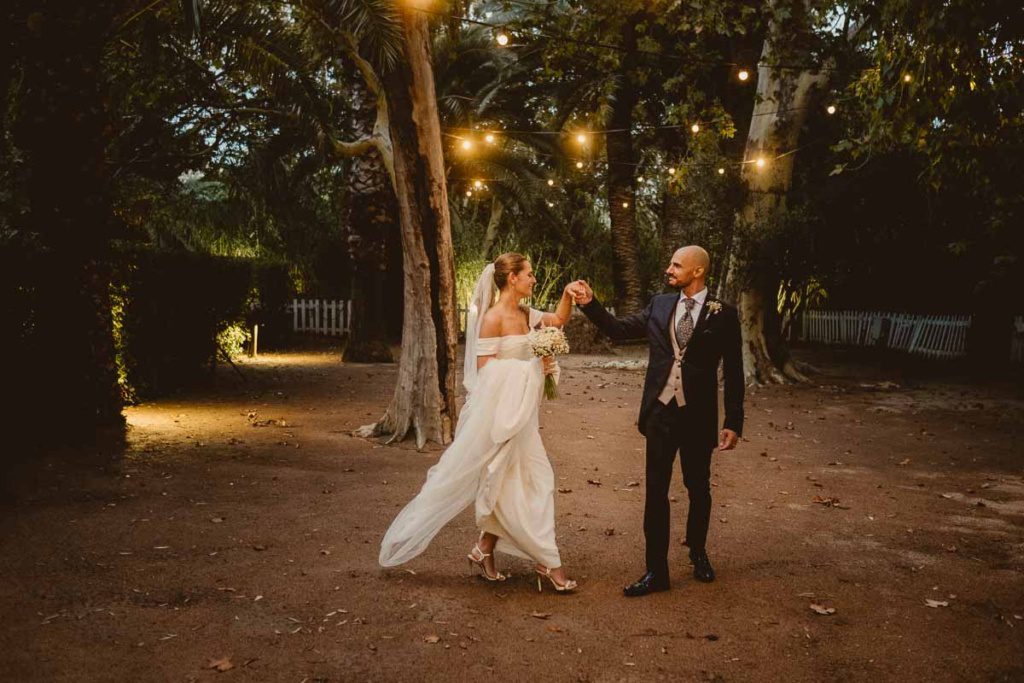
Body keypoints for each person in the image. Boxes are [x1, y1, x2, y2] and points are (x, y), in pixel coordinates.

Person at [379, 252, 579, 592]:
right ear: (512, 278)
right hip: (500, 416)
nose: (533, 279)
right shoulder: (492, 319)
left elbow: (558, 319)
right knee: (530, 482)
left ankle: (484, 549)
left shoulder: (527, 313)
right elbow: (484, 372)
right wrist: (532, 368)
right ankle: (549, 563)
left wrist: (568, 294)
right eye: (529, 274)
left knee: (513, 483)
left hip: (522, 415)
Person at [572, 245, 744, 597]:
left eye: (676, 265)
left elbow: (736, 371)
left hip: (698, 417)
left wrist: (734, 421)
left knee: (698, 489)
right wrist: (590, 303)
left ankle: (698, 553)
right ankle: (656, 571)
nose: (669, 269)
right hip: (660, 415)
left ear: (697, 271)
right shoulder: (661, 304)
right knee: (655, 492)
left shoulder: (723, 313)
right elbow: (618, 330)